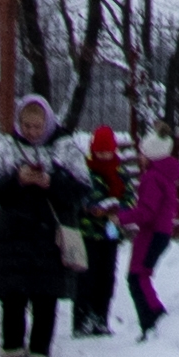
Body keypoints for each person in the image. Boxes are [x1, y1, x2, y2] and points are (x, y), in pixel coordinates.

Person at [0, 93, 88, 357]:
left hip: (50, 242)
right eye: (26, 125)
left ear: (48, 122)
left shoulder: (65, 147)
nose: (31, 131)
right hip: (13, 241)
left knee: (46, 308)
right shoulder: (6, 147)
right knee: (12, 307)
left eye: (36, 125)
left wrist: (50, 182)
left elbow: (82, 189)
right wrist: (17, 179)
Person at [64, 129, 123, 342]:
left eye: (108, 151)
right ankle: (82, 320)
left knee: (106, 278)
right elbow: (80, 197)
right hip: (87, 234)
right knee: (85, 278)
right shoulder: (86, 172)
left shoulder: (119, 172)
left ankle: (101, 318)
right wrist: (91, 207)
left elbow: (129, 198)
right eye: (100, 151)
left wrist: (120, 210)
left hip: (110, 234)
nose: (105, 155)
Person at [127, 120, 179, 338]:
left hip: (151, 233)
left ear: (151, 155)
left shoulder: (151, 178)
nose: (139, 157)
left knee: (137, 277)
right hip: (162, 232)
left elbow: (146, 213)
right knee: (142, 275)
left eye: (142, 153)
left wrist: (121, 217)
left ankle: (152, 320)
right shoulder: (166, 176)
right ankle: (154, 318)